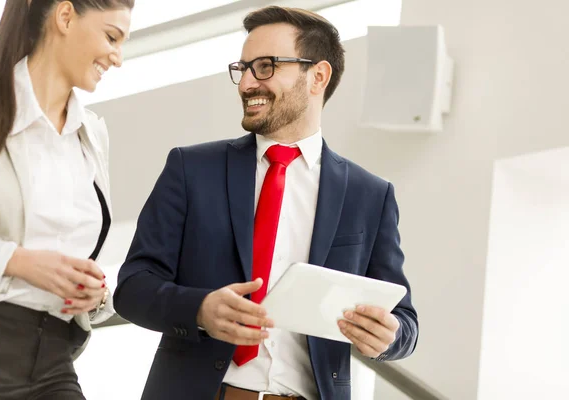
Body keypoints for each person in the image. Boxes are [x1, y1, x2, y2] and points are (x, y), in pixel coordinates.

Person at [114, 6, 418, 400]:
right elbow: (133, 288)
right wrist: (200, 309)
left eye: (265, 66)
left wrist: (389, 336)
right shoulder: (191, 169)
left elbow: (405, 321)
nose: (245, 84)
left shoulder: (370, 195)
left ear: (318, 77)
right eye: (242, 69)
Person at [0, 0, 133, 398]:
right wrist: (18, 262)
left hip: (54, 359)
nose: (118, 57)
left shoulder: (92, 134)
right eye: (111, 36)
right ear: (64, 17)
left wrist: (93, 296)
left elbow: (75, 256)